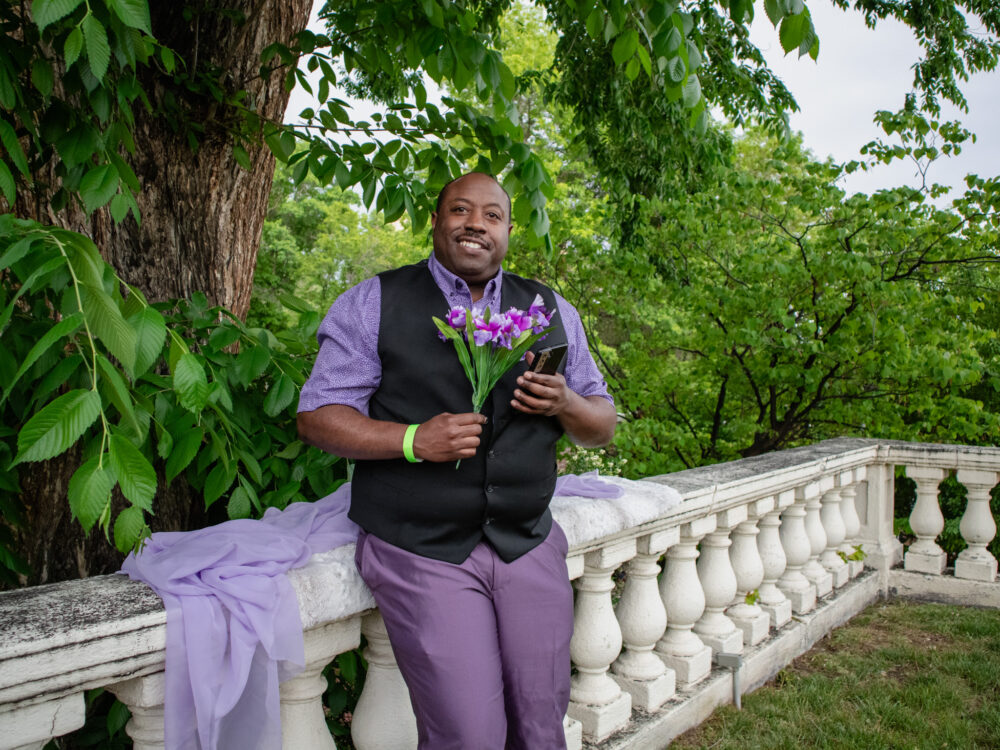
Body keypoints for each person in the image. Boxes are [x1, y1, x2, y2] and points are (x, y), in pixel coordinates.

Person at [297, 172, 617, 749]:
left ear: (509, 231)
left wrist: (566, 402)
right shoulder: (375, 301)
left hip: (526, 539)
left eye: (492, 215)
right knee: (469, 735)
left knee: (540, 727)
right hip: (422, 546)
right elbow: (318, 415)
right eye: (460, 210)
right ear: (436, 221)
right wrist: (413, 440)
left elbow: (602, 425)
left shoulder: (549, 308)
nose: (476, 223)